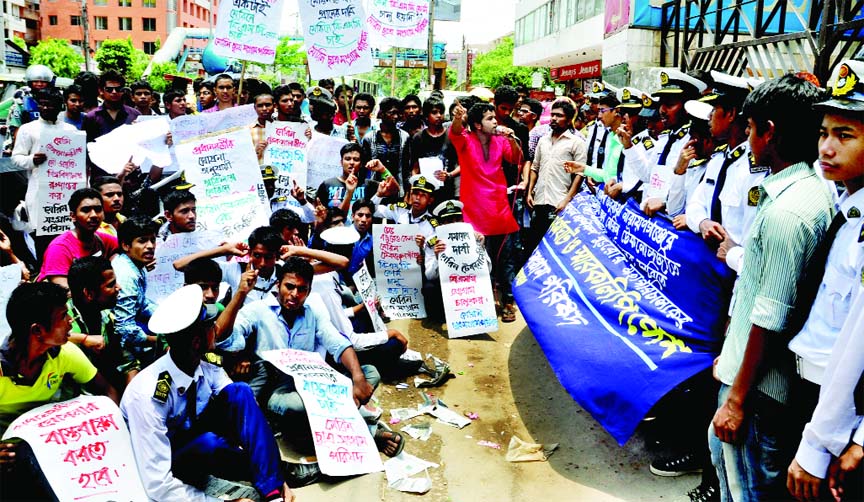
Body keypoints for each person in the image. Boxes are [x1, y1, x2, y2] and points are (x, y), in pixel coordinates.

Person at [708, 74, 834, 502]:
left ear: (770, 131)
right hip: (756, 380)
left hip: (760, 393)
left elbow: (771, 315)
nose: (746, 139)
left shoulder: (787, 211)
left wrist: (737, 398)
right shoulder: (807, 193)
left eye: (750, 127)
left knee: (745, 491)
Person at [121, 284, 293, 502]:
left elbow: (246, 413)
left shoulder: (204, 365)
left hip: (196, 441)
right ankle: (270, 472)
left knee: (240, 392)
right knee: (211, 444)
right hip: (167, 460)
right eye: (211, 325)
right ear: (196, 342)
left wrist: (276, 476)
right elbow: (157, 485)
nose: (217, 329)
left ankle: (274, 489)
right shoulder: (147, 394)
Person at [218, 258, 394, 465]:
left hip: (313, 381)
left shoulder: (313, 311)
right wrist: (240, 294)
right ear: (278, 285)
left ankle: (341, 422)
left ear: (309, 291)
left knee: (369, 373)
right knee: (298, 407)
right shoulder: (257, 310)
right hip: (278, 388)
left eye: (302, 289)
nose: (294, 295)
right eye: (289, 287)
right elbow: (223, 338)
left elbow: (336, 341)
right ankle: (365, 432)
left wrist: (357, 377)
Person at [785, 59, 864, 501]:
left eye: (844, 135)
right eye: (823, 133)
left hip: (841, 411)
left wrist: (821, 445)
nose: (826, 148)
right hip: (818, 396)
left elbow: (858, 347)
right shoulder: (847, 205)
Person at [0, 282, 119, 501]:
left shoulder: (64, 353)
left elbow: (107, 390)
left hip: (51, 444)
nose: (70, 321)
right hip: (9, 454)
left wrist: (112, 434)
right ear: (37, 330)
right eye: (63, 316)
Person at [449, 101, 523, 322]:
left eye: (494, 118)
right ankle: (484, 301)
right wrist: (456, 118)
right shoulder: (465, 140)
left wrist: (512, 137)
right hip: (475, 212)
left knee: (506, 260)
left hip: (499, 209)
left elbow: (517, 159)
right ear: (477, 125)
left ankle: (508, 301)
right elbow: (454, 131)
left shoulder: (501, 140)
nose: (495, 122)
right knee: (481, 260)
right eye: (490, 119)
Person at [685, 71, 760, 275]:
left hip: (737, 270)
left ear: (731, 114)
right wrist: (702, 223)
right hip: (709, 266)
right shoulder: (718, 159)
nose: (709, 117)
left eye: (715, 109)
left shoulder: (757, 166)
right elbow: (695, 204)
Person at [10, 87, 78, 243]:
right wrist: (32, 160)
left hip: (66, 193)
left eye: (50, 104)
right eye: (42, 104)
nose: (46, 108)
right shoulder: (28, 129)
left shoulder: (71, 130)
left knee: (68, 239)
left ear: (60, 106)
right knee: (43, 241)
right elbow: (16, 159)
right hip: (40, 194)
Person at [67, 256, 140, 388]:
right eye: (111, 285)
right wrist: (82, 339)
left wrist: (132, 394)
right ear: (89, 293)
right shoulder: (63, 323)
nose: (119, 288)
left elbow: (127, 363)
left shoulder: (108, 318)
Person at [641, 70, 707, 217]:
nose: (662, 110)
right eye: (661, 104)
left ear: (688, 107)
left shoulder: (696, 143)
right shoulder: (665, 138)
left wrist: (664, 201)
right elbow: (648, 176)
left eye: (669, 104)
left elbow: (690, 193)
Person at [526, 98, 586, 252]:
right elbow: (535, 167)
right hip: (539, 201)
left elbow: (580, 174)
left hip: (559, 203)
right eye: (552, 115)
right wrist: (530, 192)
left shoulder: (576, 142)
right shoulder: (542, 140)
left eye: (559, 115)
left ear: (569, 119)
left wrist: (567, 200)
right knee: (533, 245)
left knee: (555, 247)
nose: (553, 118)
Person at [38, 188, 119, 288]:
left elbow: (128, 249)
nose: (94, 215)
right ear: (73, 216)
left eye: (98, 209)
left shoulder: (104, 239)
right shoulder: (59, 248)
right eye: (86, 210)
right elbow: (63, 289)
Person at [113, 216, 159, 365]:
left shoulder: (136, 265)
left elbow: (142, 302)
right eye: (142, 241)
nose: (150, 246)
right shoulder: (127, 275)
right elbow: (124, 329)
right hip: (118, 344)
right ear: (126, 246)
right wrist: (160, 341)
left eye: (152, 240)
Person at [361, 97, 413, 197]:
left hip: (398, 189)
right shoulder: (369, 137)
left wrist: (407, 191)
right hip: (375, 189)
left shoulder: (404, 137)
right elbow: (364, 167)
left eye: (398, 113)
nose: (396, 116)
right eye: (392, 113)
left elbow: (406, 168)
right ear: (382, 113)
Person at [411, 97, 459, 201]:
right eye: (434, 112)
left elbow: (462, 165)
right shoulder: (418, 138)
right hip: (425, 191)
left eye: (441, 112)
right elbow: (415, 168)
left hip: (448, 190)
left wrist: (449, 175)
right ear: (426, 116)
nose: (439, 116)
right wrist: (415, 187)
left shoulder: (451, 136)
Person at [317, 143, 376, 213]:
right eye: (347, 159)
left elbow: (390, 189)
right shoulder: (327, 184)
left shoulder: (369, 185)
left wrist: (383, 170)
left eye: (356, 159)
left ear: (361, 164)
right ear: (341, 162)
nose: (351, 162)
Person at [251, 93, 275, 162]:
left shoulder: (283, 129)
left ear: (274, 106)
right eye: (260, 106)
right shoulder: (248, 131)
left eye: (268, 105)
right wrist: (256, 151)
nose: (264, 109)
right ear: (255, 108)